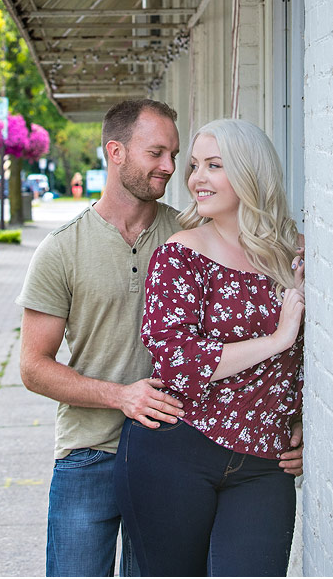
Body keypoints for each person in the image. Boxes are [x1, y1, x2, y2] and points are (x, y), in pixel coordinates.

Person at [17, 99, 304, 578]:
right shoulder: (62, 248)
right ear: (116, 152)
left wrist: (290, 416)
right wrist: (121, 396)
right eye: (158, 153)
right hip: (91, 448)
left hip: (171, 441)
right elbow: (32, 366)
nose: (172, 168)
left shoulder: (189, 228)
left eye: (178, 156)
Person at [114, 118, 305, 578]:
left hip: (265, 462)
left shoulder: (295, 255)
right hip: (177, 451)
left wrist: (304, 420)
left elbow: (324, 359)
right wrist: (277, 339)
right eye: (195, 165)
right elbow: (178, 360)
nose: (196, 177)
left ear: (250, 172)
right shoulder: (179, 254)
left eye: (213, 165)